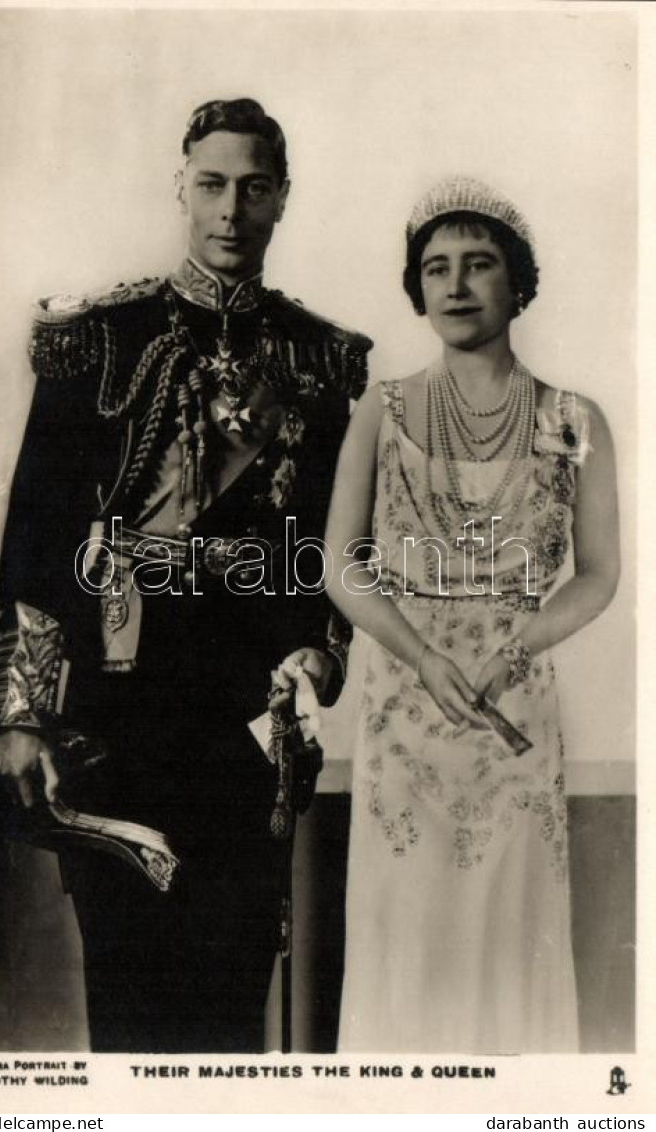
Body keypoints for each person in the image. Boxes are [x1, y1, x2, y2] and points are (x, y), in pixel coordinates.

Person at [0, 97, 371, 1053]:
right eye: (212, 186)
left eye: (254, 188)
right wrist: (23, 716)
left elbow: (330, 541)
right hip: (117, 716)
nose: (231, 209)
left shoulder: (320, 361)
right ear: (180, 189)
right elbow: (38, 535)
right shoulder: (99, 339)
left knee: (231, 1006)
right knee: (130, 1001)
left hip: (245, 720)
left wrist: (319, 654)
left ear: (283, 200)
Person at [324, 176, 619, 1053]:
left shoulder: (571, 418)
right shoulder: (379, 412)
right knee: (406, 937)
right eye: (436, 267)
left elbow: (598, 575)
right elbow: (340, 567)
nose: (455, 285)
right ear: (415, 287)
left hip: (512, 717)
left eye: (479, 264)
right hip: (403, 719)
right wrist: (420, 655)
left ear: (517, 282)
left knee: (505, 937)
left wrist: (516, 650)